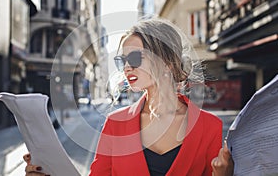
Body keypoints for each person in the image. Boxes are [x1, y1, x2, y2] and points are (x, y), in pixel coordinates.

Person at [24, 18, 233, 175]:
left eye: (134, 57)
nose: (126, 67)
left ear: (167, 62)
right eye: (121, 60)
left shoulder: (209, 126)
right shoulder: (115, 124)